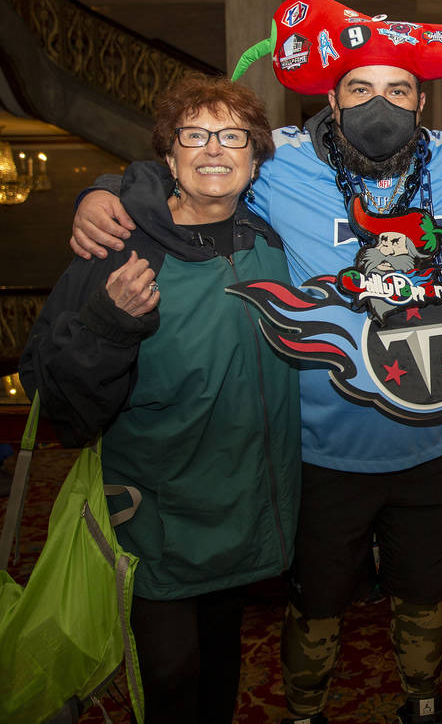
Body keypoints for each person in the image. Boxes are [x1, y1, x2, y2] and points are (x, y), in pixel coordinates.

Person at [67, 0, 442, 724]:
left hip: (434, 442)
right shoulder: (282, 163)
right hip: (317, 450)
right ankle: (305, 710)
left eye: (397, 90)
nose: (380, 104)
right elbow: (193, 172)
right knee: (316, 600)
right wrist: (103, 188)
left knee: (426, 591)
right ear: (332, 97)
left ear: (421, 99)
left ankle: (421, 699)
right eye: (360, 89)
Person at [21, 75, 301, 724]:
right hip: (157, 510)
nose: (213, 150)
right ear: (168, 156)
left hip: (242, 504)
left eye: (233, 136)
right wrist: (110, 321)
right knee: (173, 676)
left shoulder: (268, 242)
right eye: (195, 135)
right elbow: (62, 402)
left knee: (222, 664)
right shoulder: (119, 245)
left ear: (254, 158)